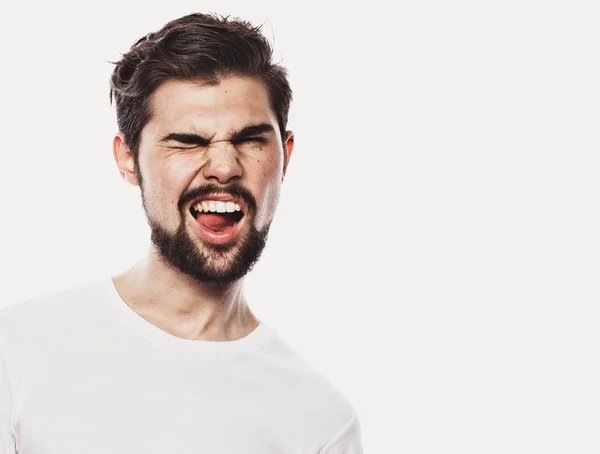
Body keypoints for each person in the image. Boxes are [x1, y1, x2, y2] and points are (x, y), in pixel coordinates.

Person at [0, 12, 363, 454]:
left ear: (285, 156)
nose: (225, 167)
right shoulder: (19, 353)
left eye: (250, 139)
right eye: (188, 141)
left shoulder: (321, 423)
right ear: (128, 159)